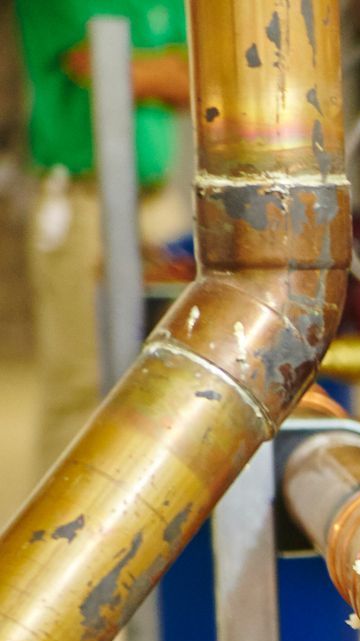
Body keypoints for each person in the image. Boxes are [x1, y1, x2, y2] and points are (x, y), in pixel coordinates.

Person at [15, 1, 190, 471]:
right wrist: (170, 71)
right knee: (84, 382)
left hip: (157, 202)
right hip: (82, 200)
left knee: (181, 374)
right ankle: (61, 536)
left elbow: (200, 79)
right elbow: (107, 69)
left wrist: (165, 73)